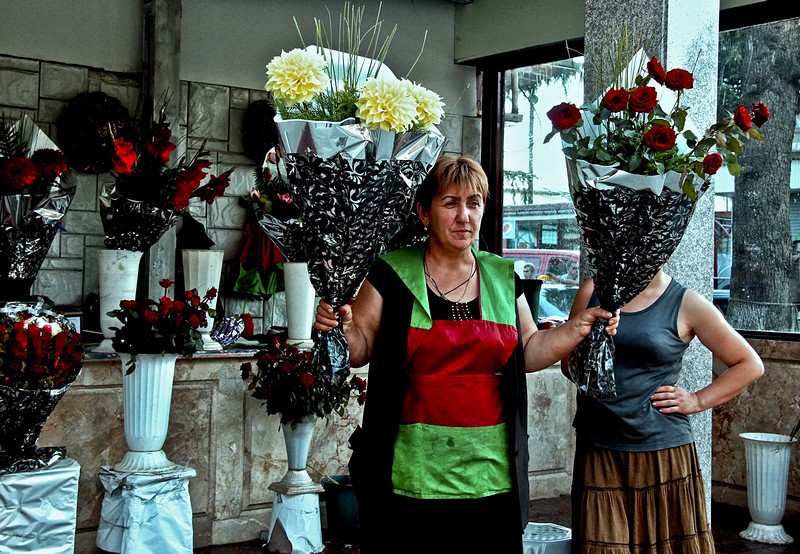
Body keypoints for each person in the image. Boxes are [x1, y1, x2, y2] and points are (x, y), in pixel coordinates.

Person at [314, 155, 620, 553]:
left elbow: (527, 350)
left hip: (491, 477)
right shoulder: (390, 273)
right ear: (424, 212)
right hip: (408, 476)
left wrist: (577, 327)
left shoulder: (502, 275)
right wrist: (340, 326)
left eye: (474, 203)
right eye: (450, 203)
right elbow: (360, 349)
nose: (464, 216)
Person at [562, 268, 764, 553]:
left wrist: (697, 400)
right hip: (599, 449)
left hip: (662, 451)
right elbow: (567, 363)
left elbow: (749, 364)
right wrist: (594, 351)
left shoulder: (686, 302)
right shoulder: (592, 291)